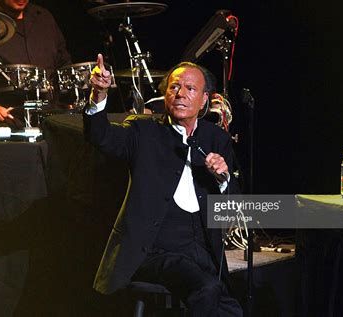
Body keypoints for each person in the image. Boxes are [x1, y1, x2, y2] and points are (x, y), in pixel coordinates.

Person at [84, 54, 243, 316]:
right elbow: (101, 137)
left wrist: (224, 179)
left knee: (231, 310)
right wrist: (99, 94)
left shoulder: (216, 138)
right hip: (154, 249)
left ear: (204, 99)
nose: (180, 94)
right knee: (206, 288)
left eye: (190, 89)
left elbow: (235, 207)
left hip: (202, 249)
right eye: (174, 87)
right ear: (166, 94)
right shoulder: (144, 131)